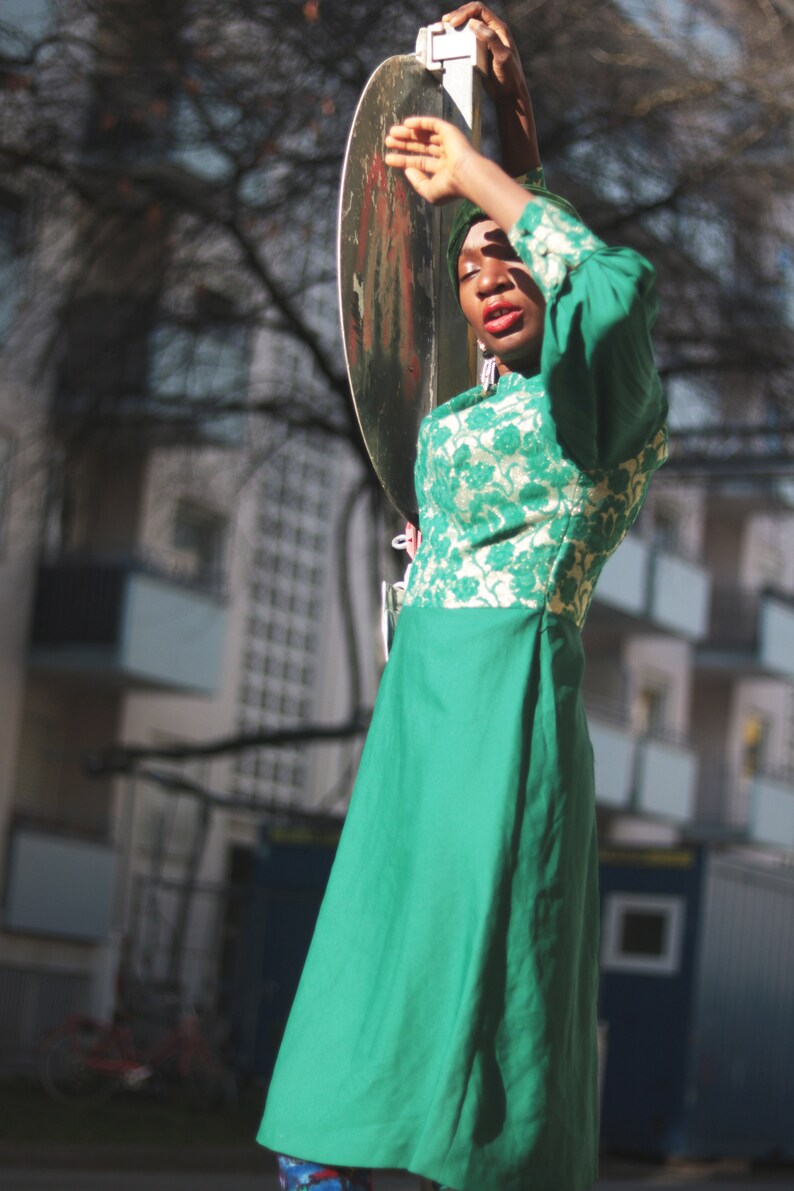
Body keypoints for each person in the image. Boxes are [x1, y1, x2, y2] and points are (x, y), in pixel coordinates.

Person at [258, 6, 667, 1190]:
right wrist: (503, 98)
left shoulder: (606, 413)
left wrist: (486, 171)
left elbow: (606, 282)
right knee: (370, 967)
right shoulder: (467, 412)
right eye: (470, 269)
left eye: (506, 262)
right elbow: (525, 259)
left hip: (504, 702)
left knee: (482, 978)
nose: (487, 280)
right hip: (417, 705)